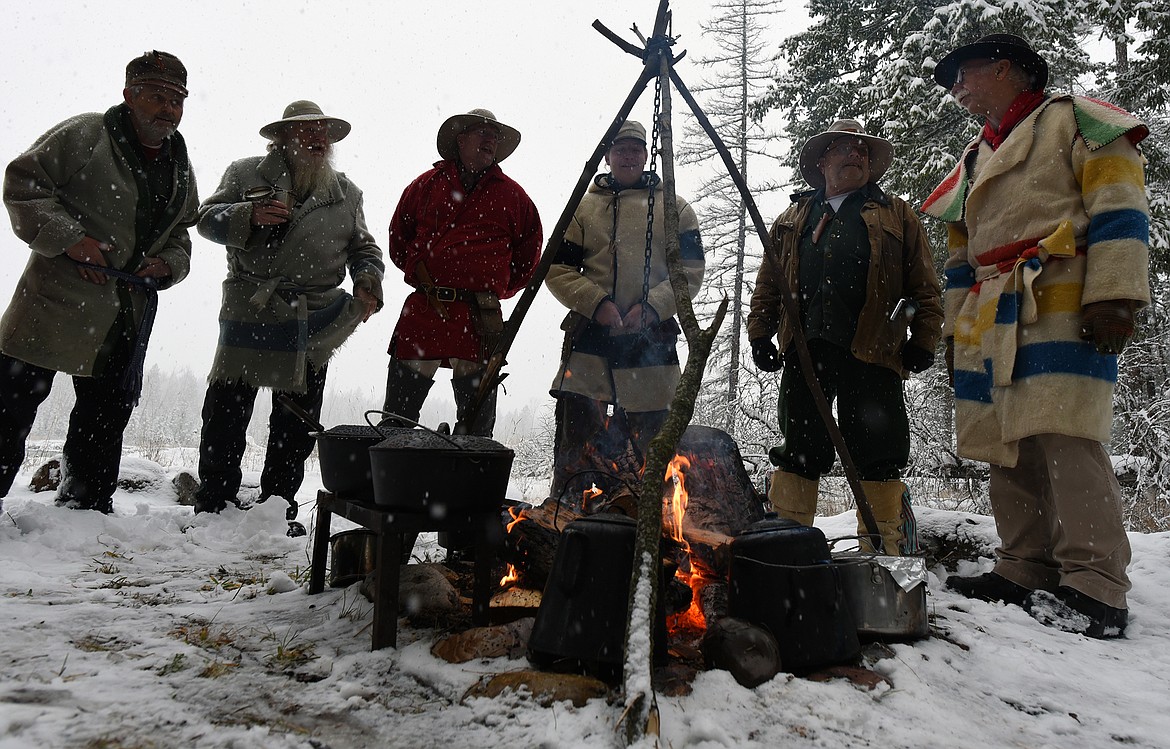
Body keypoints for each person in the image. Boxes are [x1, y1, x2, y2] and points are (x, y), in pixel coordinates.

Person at [922, 34, 1149, 637]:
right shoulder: (973, 158)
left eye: (965, 75)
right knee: (1005, 441)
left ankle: (1096, 584)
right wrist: (954, 328)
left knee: (1065, 433)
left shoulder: (1078, 121)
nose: (958, 90)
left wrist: (1115, 295)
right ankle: (1023, 564)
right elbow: (959, 255)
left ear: (1004, 69)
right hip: (989, 308)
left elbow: (1120, 205)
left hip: (1061, 292)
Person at [0, 51, 199, 515]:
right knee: (9, 407)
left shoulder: (179, 164)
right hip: (54, 299)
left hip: (125, 310)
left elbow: (182, 235)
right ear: (129, 94)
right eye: (156, 95)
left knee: (106, 416)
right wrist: (71, 239)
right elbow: (23, 184)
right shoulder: (88, 134)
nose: (167, 108)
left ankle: (85, 509)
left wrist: (167, 265)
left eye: (176, 100)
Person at [747, 119, 943, 556]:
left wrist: (924, 338)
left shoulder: (896, 213)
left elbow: (923, 284)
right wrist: (760, 333)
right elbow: (769, 285)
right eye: (844, 147)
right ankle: (787, 552)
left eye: (862, 149)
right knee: (799, 450)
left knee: (879, 452)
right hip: (806, 350)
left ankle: (883, 557)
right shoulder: (792, 218)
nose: (856, 154)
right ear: (822, 160)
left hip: (874, 353)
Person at [193, 100, 384, 532]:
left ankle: (277, 508)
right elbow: (205, 219)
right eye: (307, 131)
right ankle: (214, 503)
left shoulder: (346, 191)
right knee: (226, 409)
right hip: (252, 307)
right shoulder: (245, 174)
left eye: (323, 132)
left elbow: (363, 247)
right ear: (281, 137)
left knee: (295, 421)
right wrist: (248, 215)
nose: (319, 139)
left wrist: (368, 279)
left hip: (311, 318)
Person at [546, 120, 705, 503]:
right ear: (608, 156)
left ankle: (662, 524)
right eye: (621, 149)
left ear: (646, 155)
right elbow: (556, 268)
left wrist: (652, 309)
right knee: (577, 445)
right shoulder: (583, 208)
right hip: (589, 344)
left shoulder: (675, 208)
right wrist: (595, 302)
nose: (628, 156)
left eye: (635, 149)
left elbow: (691, 271)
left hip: (652, 346)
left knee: (659, 450)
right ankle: (564, 517)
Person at [382, 108, 541, 437]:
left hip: (480, 317)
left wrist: (490, 289)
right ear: (461, 140)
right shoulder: (424, 186)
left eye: (494, 136)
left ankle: (468, 482)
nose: (490, 139)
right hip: (424, 309)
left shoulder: (514, 197)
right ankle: (390, 479)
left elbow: (528, 257)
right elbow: (399, 239)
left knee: (476, 426)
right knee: (397, 417)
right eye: (482, 132)